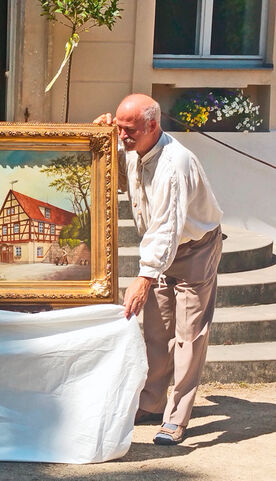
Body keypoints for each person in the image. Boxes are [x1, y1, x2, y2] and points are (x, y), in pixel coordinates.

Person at [94, 94, 223, 445]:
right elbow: (117, 176)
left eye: (128, 130)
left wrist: (144, 276)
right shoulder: (135, 148)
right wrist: (101, 139)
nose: (123, 136)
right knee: (156, 330)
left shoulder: (175, 164)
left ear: (153, 125)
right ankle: (152, 403)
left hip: (195, 248)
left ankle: (177, 418)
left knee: (189, 335)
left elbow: (168, 226)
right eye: (120, 128)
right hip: (162, 249)